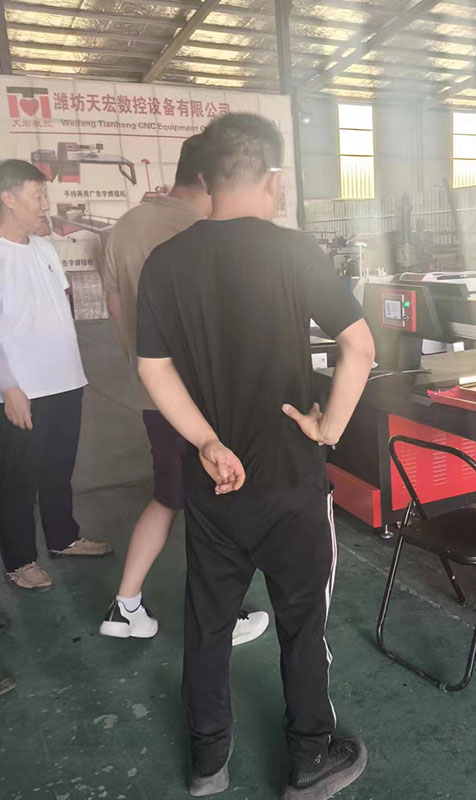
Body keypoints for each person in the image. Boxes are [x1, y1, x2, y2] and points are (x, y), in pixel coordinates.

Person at [136, 113, 374, 799]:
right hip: (292, 482)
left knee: (208, 625)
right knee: (303, 625)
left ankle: (207, 762)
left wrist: (206, 441)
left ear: (206, 179)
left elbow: (154, 368)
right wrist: (328, 428)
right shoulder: (292, 251)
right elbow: (359, 347)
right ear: (274, 179)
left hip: (216, 483)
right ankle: (309, 760)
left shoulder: (165, 262)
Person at [100, 135, 269, 646]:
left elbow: (116, 309)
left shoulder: (125, 227)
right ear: (207, 177)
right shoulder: (202, 230)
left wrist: (146, 371)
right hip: (204, 400)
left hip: (154, 394)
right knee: (217, 504)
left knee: (168, 496)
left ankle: (125, 605)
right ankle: (222, 618)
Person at [0, 159, 111, 591]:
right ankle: (20, 560)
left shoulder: (44, 248)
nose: (46, 204)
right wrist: (8, 385)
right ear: (8, 198)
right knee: (17, 478)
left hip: (65, 379)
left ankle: (64, 538)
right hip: (23, 389)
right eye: (38, 195)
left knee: (58, 467)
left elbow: (64, 300)